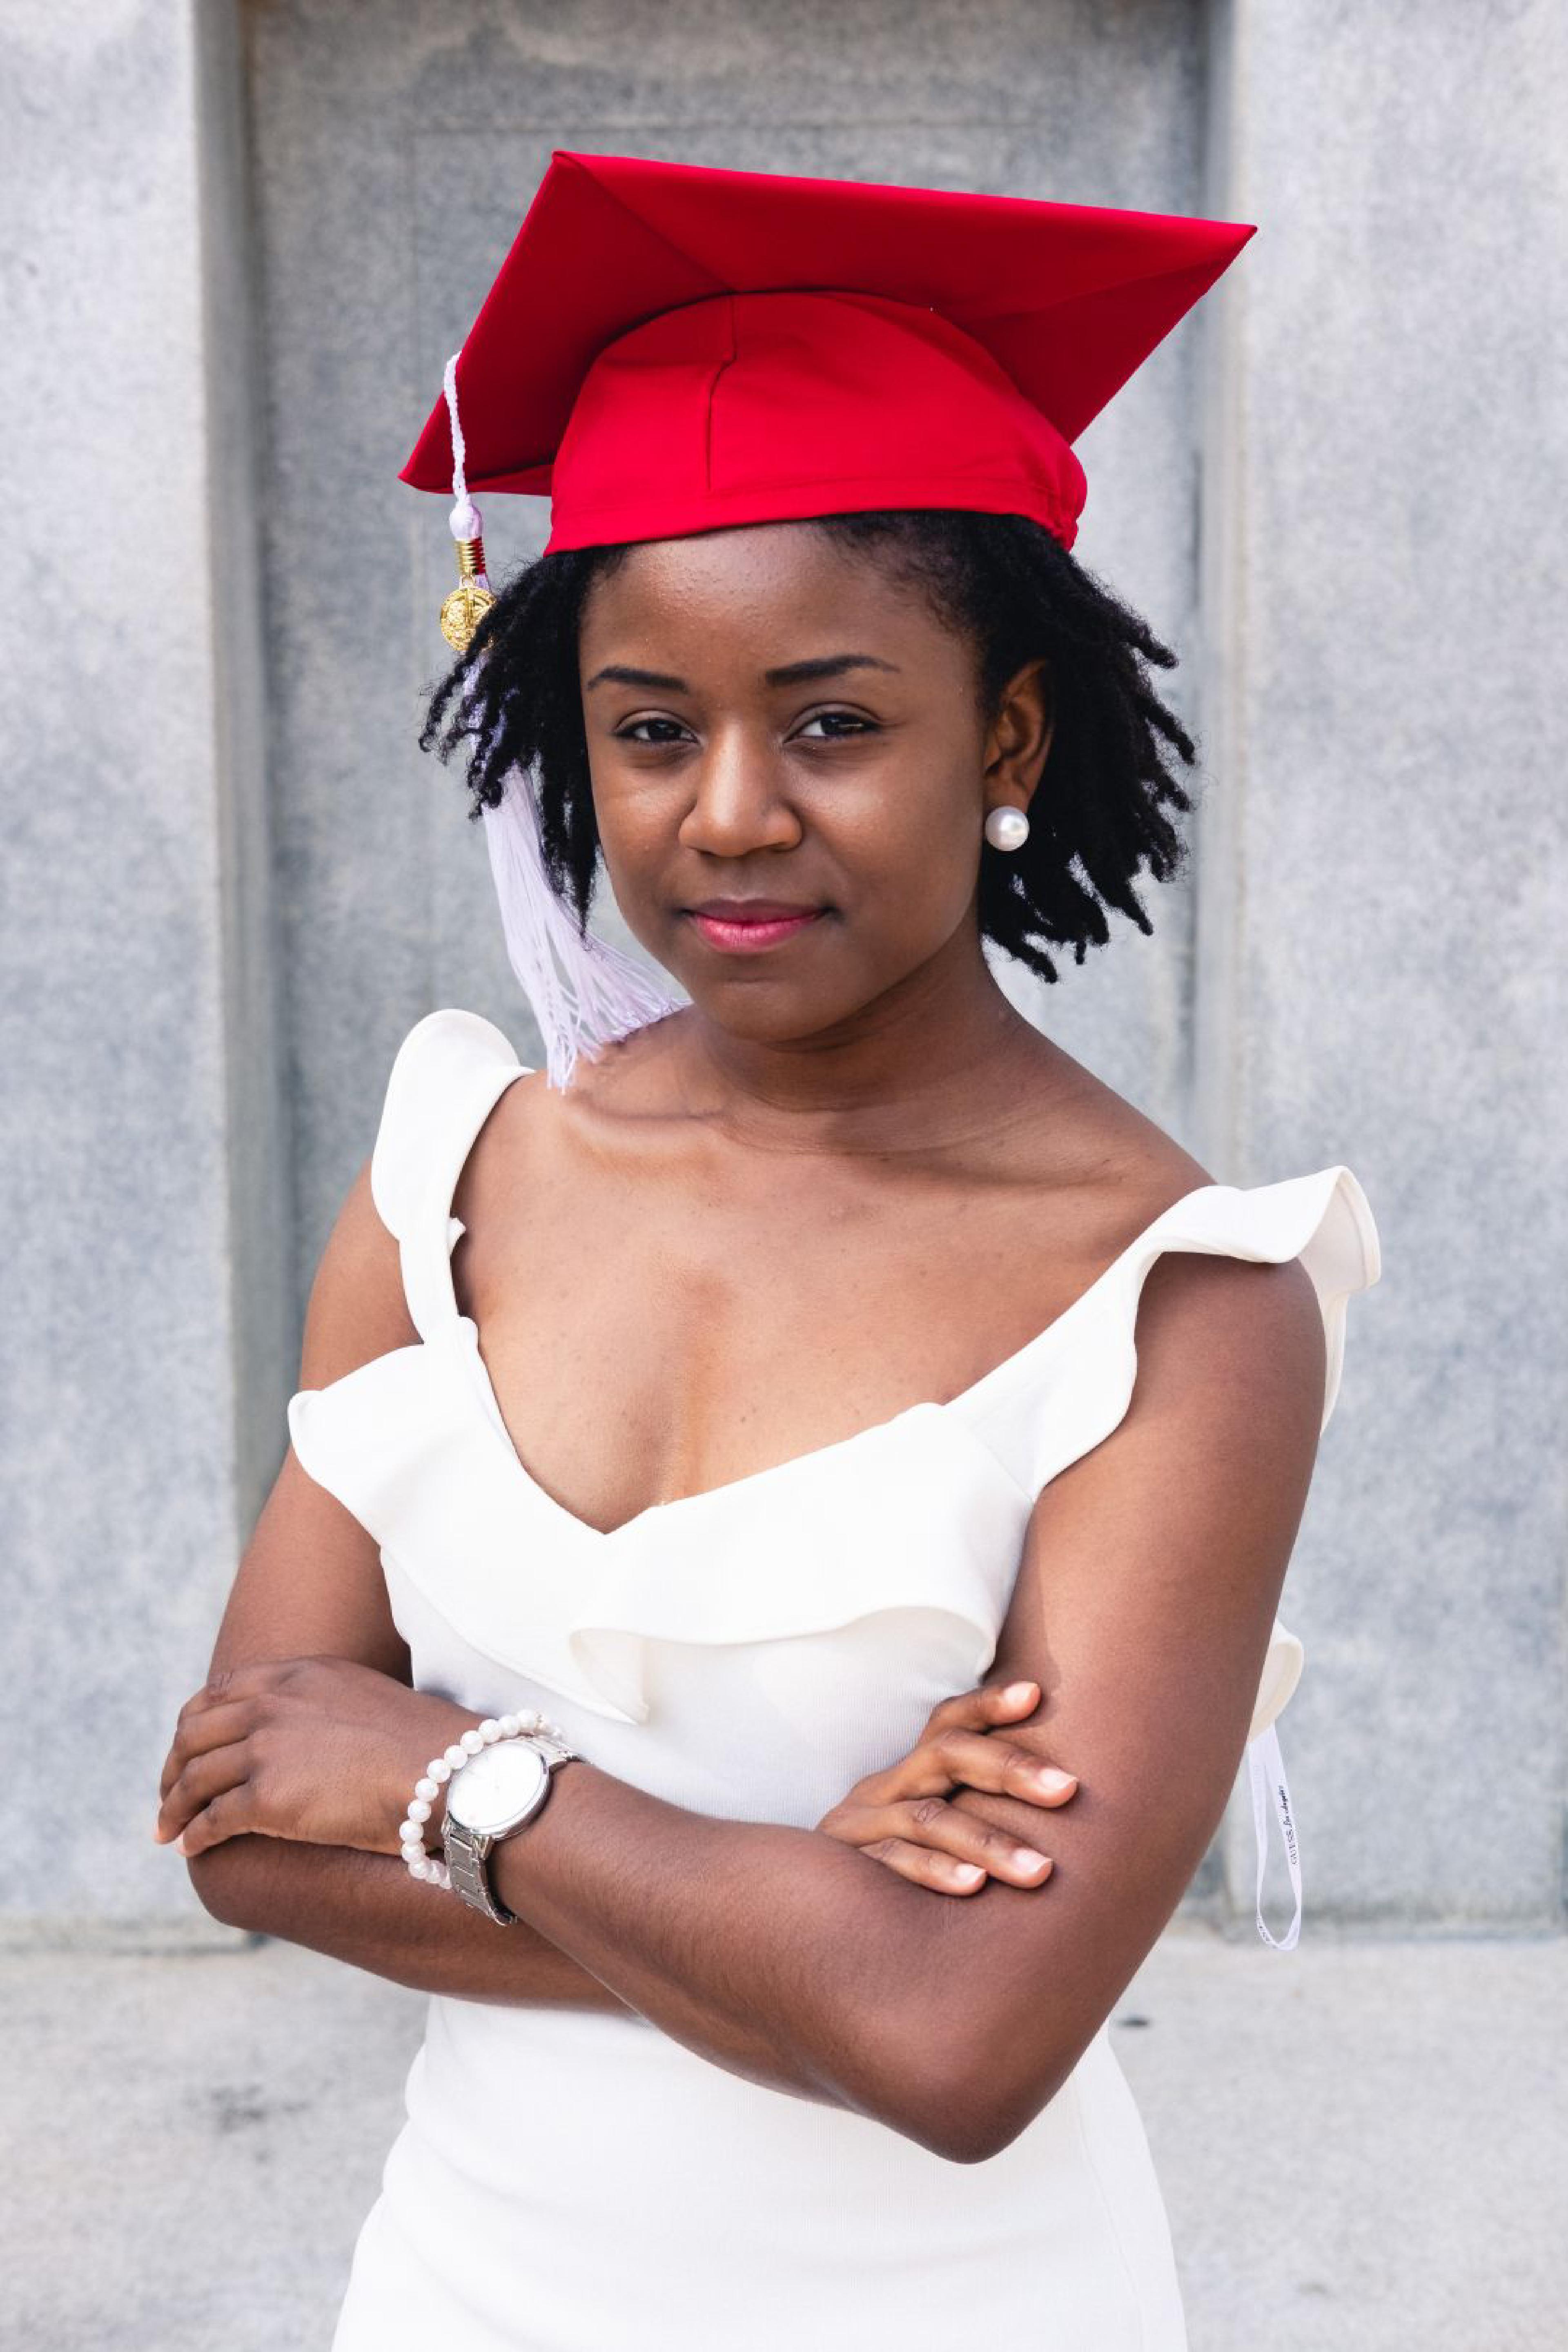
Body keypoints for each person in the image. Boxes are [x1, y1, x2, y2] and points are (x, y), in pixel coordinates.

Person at [153, 153, 1382, 2348]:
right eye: (650, 730)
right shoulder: (457, 1173)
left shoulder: (1178, 1303)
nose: (726, 809)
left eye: (832, 721)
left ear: (1002, 736)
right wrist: (809, 1905)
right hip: (463, 2295)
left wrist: (457, 1782)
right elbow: (248, 1825)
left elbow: (961, 2049)